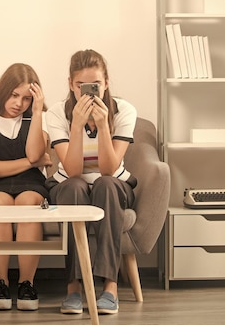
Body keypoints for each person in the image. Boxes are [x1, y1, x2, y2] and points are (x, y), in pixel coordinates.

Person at [45, 49, 137, 316]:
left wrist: (103, 126)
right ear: (71, 86)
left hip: (113, 184)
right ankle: (74, 288)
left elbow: (109, 169)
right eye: (81, 86)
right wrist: (77, 126)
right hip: (69, 184)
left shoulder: (124, 110)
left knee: (105, 185)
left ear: (106, 83)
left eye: (95, 85)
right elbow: (73, 171)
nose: (89, 92)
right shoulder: (56, 113)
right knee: (75, 187)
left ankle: (110, 288)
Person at [0, 63, 52, 311]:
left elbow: (34, 153)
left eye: (27, 98)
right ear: (3, 91)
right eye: (14, 95)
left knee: (26, 204)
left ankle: (26, 283)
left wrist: (39, 110)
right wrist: (31, 162)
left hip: (32, 185)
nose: (19, 103)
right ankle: (0, 282)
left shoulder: (37, 117)